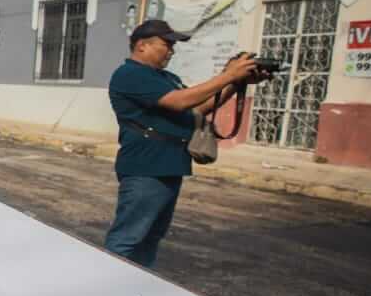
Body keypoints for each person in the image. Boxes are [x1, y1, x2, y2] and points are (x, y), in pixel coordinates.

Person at [104, 19, 266, 268]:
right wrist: (227, 75)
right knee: (128, 239)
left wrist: (236, 83)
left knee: (151, 238)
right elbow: (179, 101)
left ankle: (136, 290)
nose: (171, 50)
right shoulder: (129, 74)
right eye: (166, 44)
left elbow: (198, 106)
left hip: (169, 165)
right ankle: (107, 291)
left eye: (172, 45)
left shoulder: (166, 77)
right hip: (146, 168)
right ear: (141, 46)